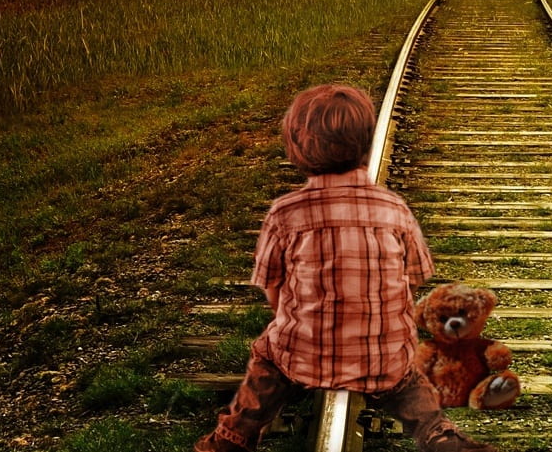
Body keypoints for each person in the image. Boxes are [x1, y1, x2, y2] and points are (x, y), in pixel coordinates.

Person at [195, 83, 499, 452]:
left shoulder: (285, 214)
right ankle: (438, 434)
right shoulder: (393, 210)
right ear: (364, 145)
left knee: (267, 357)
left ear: (297, 145)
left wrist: (298, 322)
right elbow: (415, 279)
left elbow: (273, 289)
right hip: (382, 360)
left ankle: (233, 438)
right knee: (407, 380)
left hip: (301, 358)